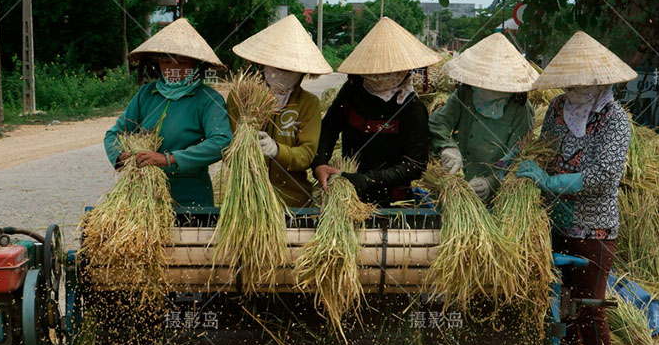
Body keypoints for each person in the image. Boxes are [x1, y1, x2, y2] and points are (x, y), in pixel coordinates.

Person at [516, 30, 635, 345]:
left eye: (582, 83)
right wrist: (526, 165)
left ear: (599, 82)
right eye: (570, 83)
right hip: (556, 222)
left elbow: (603, 175)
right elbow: (545, 146)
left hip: (594, 228)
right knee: (561, 305)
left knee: (589, 308)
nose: (575, 89)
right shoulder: (555, 109)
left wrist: (552, 181)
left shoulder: (614, 119)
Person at [104, 18, 231, 208]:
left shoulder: (207, 99)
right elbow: (115, 133)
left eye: (182, 63)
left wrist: (168, 159)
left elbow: (221, 141)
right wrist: (121, 156)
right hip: (144, 198)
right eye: (166, 62)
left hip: (190, 197)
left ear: (196, 65)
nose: (174, 69)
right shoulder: (146, 94)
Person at [312, 17, 440, 206]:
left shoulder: (412, 108)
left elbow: (415, 165)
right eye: (374, 73)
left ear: (403, 70)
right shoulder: (353, 91)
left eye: (388, 72)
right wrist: (320, 163)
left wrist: (367, 180)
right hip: (348, 190)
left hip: (394, 198)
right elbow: (329, 128)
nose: (379, 78)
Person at [229, 15, 332, 207]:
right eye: (276, 67)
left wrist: (277, 150)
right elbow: (227, 149)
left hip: (292, 202)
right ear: (262, 65)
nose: (282, 73)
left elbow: (306, 155)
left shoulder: (308, 103)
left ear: (302, 72)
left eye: (290, 69)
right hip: (245, 202)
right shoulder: (241, 98)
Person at [428, 33, 538, 201]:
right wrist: (448, 147)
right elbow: (438, 122)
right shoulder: (465, 94)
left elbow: (516, 155)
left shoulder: (521, 110)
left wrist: (491, 183)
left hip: (495, 196)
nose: (485, 86)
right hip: (457, 185)